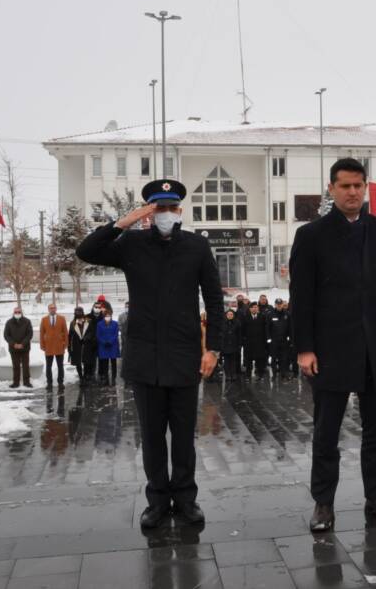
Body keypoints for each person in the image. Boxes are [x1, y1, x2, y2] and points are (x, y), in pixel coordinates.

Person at [76, 177, 224, 530]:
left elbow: (214, 300)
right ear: (148, 212)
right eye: (159, 208)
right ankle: (157, 500)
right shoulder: (132, 244)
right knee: (152, 437)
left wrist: (213, 348)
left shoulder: (196, 246)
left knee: (184, 437)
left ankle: (185, 499)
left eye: (171, 208)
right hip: (145, 358)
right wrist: (123, 223)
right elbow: (87, 251)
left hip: (184, 356)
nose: (165, 214)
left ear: (180, 211)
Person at [289, 157, 376, 533]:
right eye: (345, 186)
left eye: (358, 185)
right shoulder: (311, 235)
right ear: (331, 189)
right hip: (330, 350)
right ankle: (323, 503)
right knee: (326, 434)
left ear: (365, 187)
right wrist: (304, 347)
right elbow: (301, 296)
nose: (352, 192)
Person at [3, 306, 34, 389]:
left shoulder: (27, 321)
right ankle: (15, 382)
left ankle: (27, 382)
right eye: (16, 312)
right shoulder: (9, 322)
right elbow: (6, 335)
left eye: (19, 312)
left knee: (26, 366)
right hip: (13, 348)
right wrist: (14, 344)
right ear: (13, 313)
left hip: (25, 348)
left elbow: (29, 334)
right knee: (15, 366)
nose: (17, 313)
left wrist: (22, 344)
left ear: (21, 313)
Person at [39, 303, 68, 387]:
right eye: (51, 308)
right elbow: (42, 333)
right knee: (48, 366)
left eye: (54, 308)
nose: (52, 309)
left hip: (59, 345)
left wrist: (66, 343)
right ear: (48, 309)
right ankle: (49, 382)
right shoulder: (44, 319)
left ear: (56, 309)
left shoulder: (62, 319)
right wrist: (42, 344)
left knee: (60, 365)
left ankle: (60, 382)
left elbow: (65, 332)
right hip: (48, 346)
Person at [67, 306, 95, 385]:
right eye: (77, 312)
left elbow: (92, 332)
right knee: (78, 362)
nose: (78, 313)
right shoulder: (72, 323)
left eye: (80, 312)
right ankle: (81, 378)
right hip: (76, 345)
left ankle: (85, 376)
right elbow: (70, 335)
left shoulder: (89, 321)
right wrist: (69, 347)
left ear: (82, 312)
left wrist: (86, 338)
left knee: (86, 362)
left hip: (87, 345)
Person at [241, 301, 270, 377]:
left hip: (260, 342)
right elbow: (242, 330)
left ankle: (260, 375)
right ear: (250, 309)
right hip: (249, 342)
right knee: (248, 360)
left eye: (256, 307)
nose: (255, 309)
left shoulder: (262, 317)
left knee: (260, 359)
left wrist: (266, 340)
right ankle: (248, 375)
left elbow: (265, 329)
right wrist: (243, 340)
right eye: (253, 307)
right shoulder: (245, 317)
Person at [268, 298, 292, 376]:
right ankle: (274, 373)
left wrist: (290, 338)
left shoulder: (287, 314)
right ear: (275, 305)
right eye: (277, 304)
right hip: (274, 340)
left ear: (282, 305)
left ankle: (283, 373)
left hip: (284, 340)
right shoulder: (270, 314)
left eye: (280, 304)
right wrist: (268, 338)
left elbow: (290, 327)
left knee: (283, 358)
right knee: (274, 358)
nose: (279, 305)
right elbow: (267, 327)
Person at [96, 309, 120, 384]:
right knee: (105, 363)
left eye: (109, 316)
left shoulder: (115, 324)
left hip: (113, 346)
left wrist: (110, 342)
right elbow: (98, 335)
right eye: (106, 316)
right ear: (104, 317)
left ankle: (113, 378)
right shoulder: (99, 324)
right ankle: (106, 378)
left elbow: (116, 334)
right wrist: (104, 342)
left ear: (111, 316)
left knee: (113, 363)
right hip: (103, 346)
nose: (108, 317)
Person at [219, 308, 241, 379]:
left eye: (231, 314)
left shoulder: (237, 323)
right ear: (226, 315)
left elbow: (239, 334)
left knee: (233, 360)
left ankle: (233, 374)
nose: (230, 316)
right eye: (228, 314)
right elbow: (220, 334)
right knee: (226, 361)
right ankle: (227, 374)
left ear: (233, 315)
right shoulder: (222, 323)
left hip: (234, 344)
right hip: (225, 344)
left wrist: (239, 344)